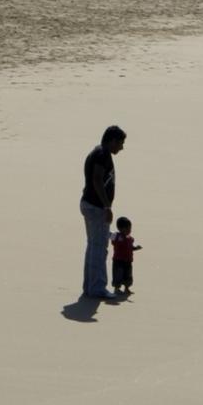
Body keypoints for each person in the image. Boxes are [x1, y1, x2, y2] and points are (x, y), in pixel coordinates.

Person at [80, 124, 126, 305]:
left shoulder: (99, 152)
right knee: (99, 248)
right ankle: (97, 288)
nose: (122, 147)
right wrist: (107, 207)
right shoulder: (101, 155)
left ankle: (90, 287)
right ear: (112, 140)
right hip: (96, 207)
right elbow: (97, 179)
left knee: (93, 247)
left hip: (90, 205)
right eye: (121, 143)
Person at [111, 216, 139, 297]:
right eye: (127, 229)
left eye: (130, 228)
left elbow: (130, 248)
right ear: (120, 229)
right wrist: (114, 235)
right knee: (118, 274)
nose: (129, 230)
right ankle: (117, 288)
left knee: (128, 275)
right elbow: (111, 239)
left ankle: (127, 288)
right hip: (118, 260)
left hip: (128, 260)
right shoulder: (116, 236)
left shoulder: (130, 239)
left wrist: (135, 248)